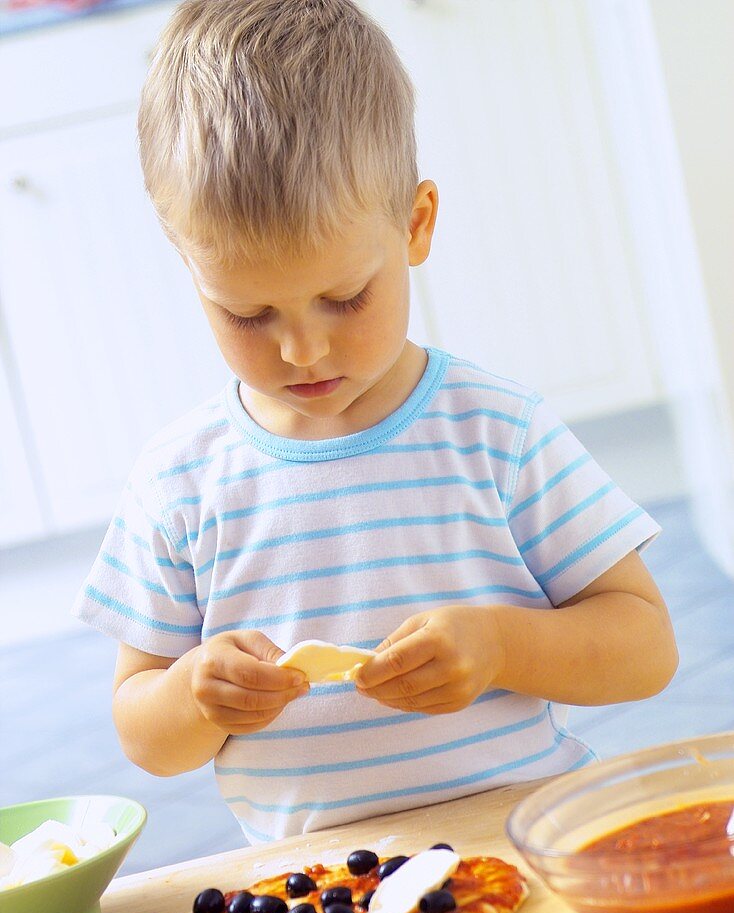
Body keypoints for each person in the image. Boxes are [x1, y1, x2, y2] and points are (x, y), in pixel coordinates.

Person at [73, 0, 678, 845]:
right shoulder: (179, 481)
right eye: (247, 314)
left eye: (345, 297)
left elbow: (646, 648)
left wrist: (504, 646)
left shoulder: (497, 430)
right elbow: (143, 734)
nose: (302, 349)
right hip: (322, 898)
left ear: (416, 225)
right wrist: (192, 695)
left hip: (525, 838)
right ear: (189, 265)